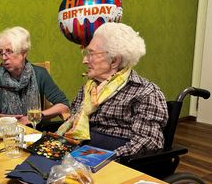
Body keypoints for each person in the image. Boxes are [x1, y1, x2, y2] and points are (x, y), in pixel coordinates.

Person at [56, 22, 168, 160]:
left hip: (116, 163)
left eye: (91, 54)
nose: (85, 60)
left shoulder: (145, 93)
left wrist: (105, 158)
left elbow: (149, 142)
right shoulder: (89, 88)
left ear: (114, 61)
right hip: (78, 153)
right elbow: (73, 123)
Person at [0, 26, 70, 125]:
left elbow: (63, 105)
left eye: (8, 51)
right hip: (4, 133)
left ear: (23, 53)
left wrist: (37, 116)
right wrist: (2, 117)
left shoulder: (40, 74)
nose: (4, 57)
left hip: (35, 132)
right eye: (0, 53)